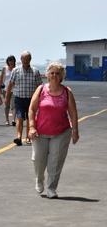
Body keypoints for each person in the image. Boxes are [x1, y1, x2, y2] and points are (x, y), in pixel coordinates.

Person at [28, 62, 79, 198]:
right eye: (52, 73)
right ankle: (39, 180)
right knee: (38, 160)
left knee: (55, 162)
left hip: (61, 132)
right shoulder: (41, 89)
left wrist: (75, 131)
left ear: (62, 76)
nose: (54, 75)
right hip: (40, 132)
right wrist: (32, 127)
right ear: (48, 75)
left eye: (57, 73)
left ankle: (51, 188)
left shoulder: (67, 92)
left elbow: (73, 113)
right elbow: (32, 109)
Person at [5, 51, 42, 146]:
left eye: (27, 59)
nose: (25, 61)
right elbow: (10, 84)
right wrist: (7, 97)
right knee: (20, 118)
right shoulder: (16, 71)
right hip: (19, 98)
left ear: (30, 59)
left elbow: (39, 86)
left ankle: (28, 137)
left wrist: (42, 97)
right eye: (24, 59)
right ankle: (18, 136)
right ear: (21, 59)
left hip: (31, 99)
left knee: (30, 119)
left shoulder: (35, 71)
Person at [0, 55, 17, 126]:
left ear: (14, 61)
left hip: (14, 89)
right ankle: (7, 120)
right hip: (5, 89)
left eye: (12, 61)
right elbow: (1, 79)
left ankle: (13, 120)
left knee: (14, 105)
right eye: (9, 61)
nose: (11, 62)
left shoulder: (16, 69)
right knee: (7, 105)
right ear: (7, 61)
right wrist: (0, 88)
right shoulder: (4, 68)